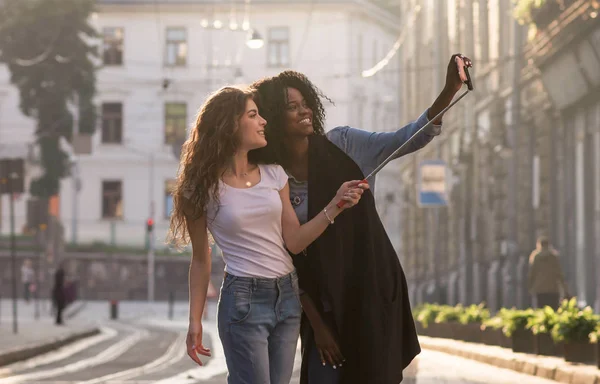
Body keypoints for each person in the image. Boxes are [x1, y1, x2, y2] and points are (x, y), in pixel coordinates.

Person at [251, 53, 472, 384]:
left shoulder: (344, 144)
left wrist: (449, 90)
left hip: (369, 291)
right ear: (272, 118)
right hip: (320, 309)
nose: (304, 110)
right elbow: (285, 261)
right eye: (291, 107)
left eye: (305, 102)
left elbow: (409, 137)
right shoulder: (271, 178)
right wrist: (318, 326)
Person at [166, 85, 368, 384]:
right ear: (230, 124)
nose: (263, 121)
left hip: (287, 299)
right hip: (243, 302)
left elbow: (295, 241)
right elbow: (200, 259)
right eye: (253, 115)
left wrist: (336, 204)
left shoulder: (275, 174)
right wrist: (195, 320)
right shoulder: (201, 188)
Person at [528, 236, 567, 310]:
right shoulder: (553, 257)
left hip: (540, 289)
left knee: (541, 310)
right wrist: (564, 288)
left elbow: (532, 274)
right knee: (553, 310)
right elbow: (559, 274)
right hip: (553, 289)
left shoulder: (536, 257)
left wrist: (530, 287)